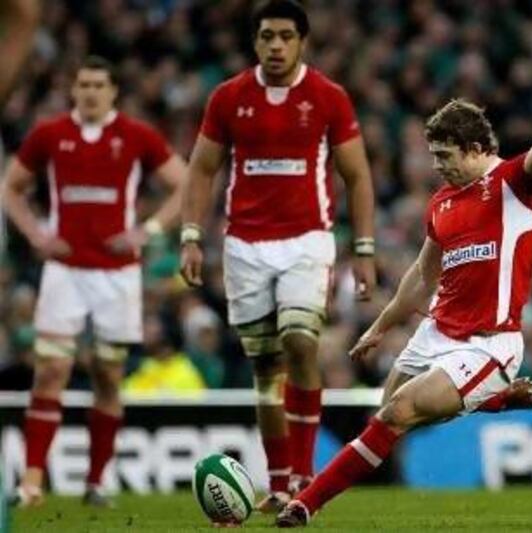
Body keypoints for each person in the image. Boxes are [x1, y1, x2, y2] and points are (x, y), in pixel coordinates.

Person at [276, 91, 532, 527]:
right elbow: (423, 275)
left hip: (488, 344)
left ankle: (302, 505)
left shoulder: (516, 182)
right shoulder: (442, 202)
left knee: (399, 411)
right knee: (385, 420)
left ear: (477, 149)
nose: (436, 165)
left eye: (445, 155)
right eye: (433, 155)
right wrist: (381, 326)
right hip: (437, 332)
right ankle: (494, 399)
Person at [179, 0, 376, 513]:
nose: (275, 45)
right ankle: (280, 481)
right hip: (245, 246)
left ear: (302, 41)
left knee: (299, 339)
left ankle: (306, 476)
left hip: (307, 240)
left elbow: (357, 175)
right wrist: (191, 235)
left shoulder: (328, 98)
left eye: (286, 36)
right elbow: (201, 170)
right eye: (267, 36)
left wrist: (365, 248)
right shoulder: (229, 98)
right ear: (255, 41)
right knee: (266, 370)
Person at [1, 55, 187, 507]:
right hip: (65, 272)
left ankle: (96, 481)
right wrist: (35, 234)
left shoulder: (136, 136)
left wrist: (150, 231)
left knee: (107, 375)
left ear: (113, 92)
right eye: (82, 83)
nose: (89, 91)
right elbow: (11, 187)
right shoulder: (50, 134)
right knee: (51, 371)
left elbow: (185, 184)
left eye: (98, 84)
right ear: (73, 89)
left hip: (116, 276)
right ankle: (31, 482)